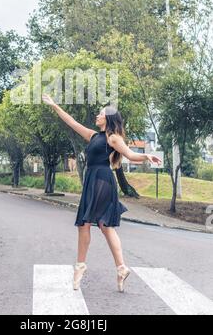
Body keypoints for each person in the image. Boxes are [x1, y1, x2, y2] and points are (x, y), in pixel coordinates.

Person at [42, 94, 162, 293]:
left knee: (85, 223)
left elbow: (130, 155)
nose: (97, 115)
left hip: (102, 181)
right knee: (105, 226)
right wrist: (55, 106)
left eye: (101, 113)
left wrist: (146, 156)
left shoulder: (112, 138)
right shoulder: (93, 136)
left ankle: (80, 266)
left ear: (108, 119)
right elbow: (72, 122)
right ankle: (121, 268)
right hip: (94, 180)